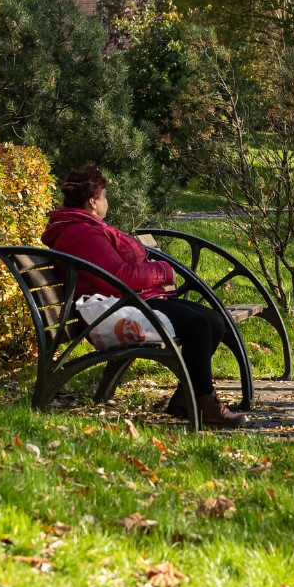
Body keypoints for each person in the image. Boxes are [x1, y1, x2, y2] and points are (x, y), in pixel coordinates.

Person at [41, 168, 246, 428]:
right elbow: (120, 275)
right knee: (198, 325)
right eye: (104, 196)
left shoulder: (84, 227)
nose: (106, 202)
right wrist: (163, 271)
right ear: (93, 201)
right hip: (107, 313)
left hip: (122, 302)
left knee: (213, 320)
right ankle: (205, 403)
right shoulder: (82, 233)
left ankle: (187, 397)